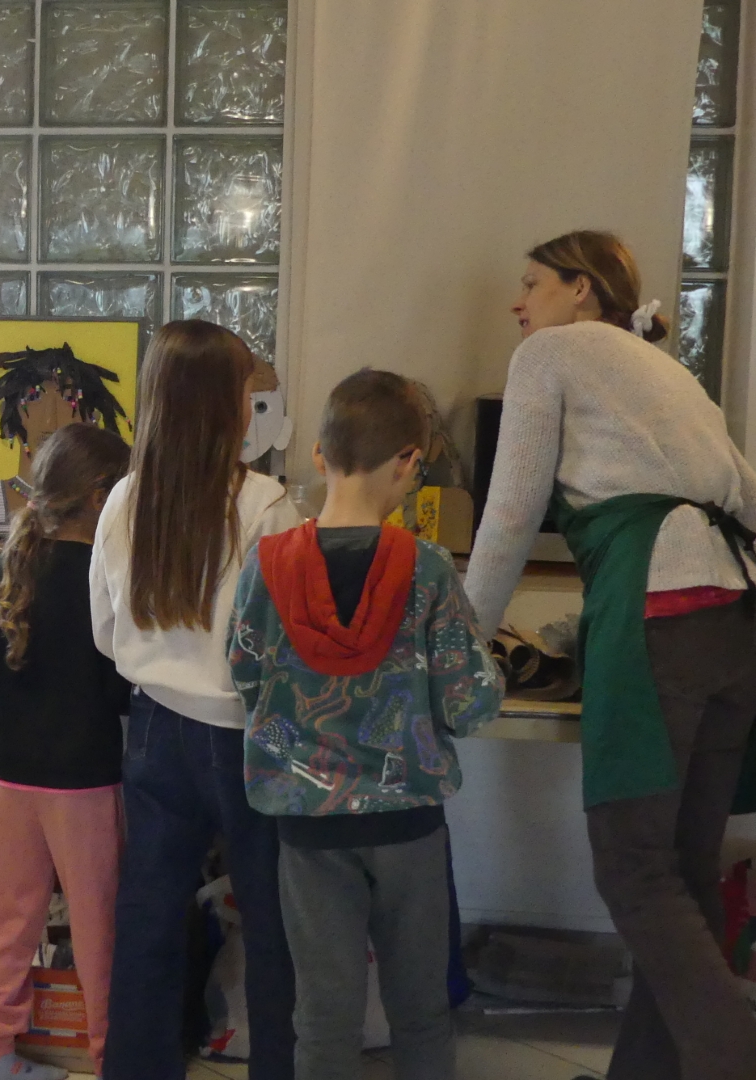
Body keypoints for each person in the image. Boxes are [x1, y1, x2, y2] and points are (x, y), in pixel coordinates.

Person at [464, 230, 756, 1080]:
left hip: (662, 614)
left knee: (634, 870)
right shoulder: (670, 373)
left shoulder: (550, 354)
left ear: (580, 289)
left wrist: (459, 639)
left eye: (531, 282)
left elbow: (509, 513)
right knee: (682, 869)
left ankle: (732, 1065)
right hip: (744, 617)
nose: (517, 302)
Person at [228, 370, 503, 1080]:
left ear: (319, 454)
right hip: (407, 821)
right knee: (420, 1009)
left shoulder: (265, 567)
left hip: (306, 821)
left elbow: (245, 676)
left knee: (323, 1015)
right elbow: (467, 702)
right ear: (409, 462)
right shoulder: (428, 569)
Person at [90, 319, 303, 1080]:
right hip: (245, 732)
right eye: (247, 391)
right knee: (271, 917)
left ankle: (136, 1068)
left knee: (148, 912)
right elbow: (286, 642)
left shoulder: (122, 499)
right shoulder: (266, 505)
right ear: (225, 404)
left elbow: (105, 631)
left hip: (153, 723)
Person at [0, 423, 132, 1080]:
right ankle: (111, 1058)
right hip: (85, 784)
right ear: (101, 497)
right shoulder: (106, 575)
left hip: (16, 780)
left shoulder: (13, 563)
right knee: (99, 929)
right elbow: (122, 689)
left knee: (5, 924)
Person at [0, 344, 128, 534]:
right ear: (8, 418)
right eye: (34, 398)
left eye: (69, 400)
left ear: (92, 421)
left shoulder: (106, 505)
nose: (51, 420)